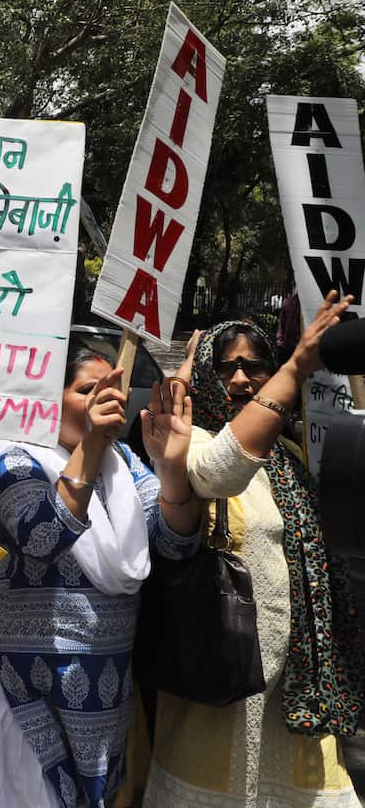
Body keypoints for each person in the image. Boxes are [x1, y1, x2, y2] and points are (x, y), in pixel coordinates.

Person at [0, 339, 202, 808]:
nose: (105, 399)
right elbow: (43, 537)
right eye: (89, 389)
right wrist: (90, 443)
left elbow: (176, 542)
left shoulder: (124, 467)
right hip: (22, 695)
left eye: (113, 388)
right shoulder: (16, 461)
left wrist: (170, 469)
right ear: (49, 397)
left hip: (100, 701)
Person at [143, 293, 365, 807]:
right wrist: (297, 366)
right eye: (227, 368)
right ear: (203, 378)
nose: (243, 379)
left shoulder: (289, 455)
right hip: (220, 693)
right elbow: (222, 470)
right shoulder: (189, 444)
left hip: (298, 693)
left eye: (256, 365)